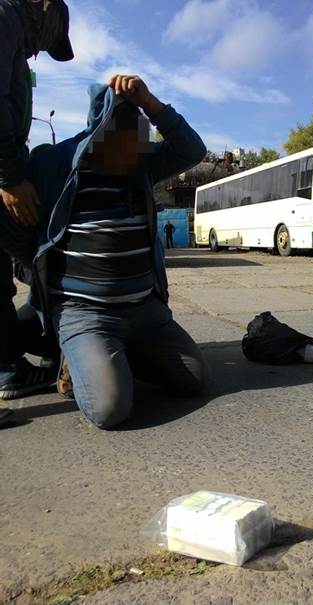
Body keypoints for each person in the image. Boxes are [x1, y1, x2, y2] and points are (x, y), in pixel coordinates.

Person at [22, 74, 208, 429]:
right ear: (99, 132)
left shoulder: (142, 165)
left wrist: (150, 103)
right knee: (110, 409)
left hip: (145, 311)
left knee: (193, 380)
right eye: (127, 136)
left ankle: (112, 358)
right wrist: (30, 266)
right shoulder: (59, 163)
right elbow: (13, 211)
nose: (137, 146)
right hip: (85, 313)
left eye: (140, 135)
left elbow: (192, 151)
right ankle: (75, 355)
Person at [0, 0, 74, 424]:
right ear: (46, 11)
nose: (41, 50)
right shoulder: (5, 17)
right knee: (40, 257)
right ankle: (51, 347)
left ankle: (9, 368)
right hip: (4, 175)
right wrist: (9, 177)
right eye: (52, 39)